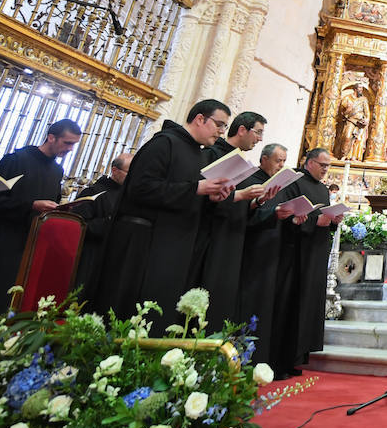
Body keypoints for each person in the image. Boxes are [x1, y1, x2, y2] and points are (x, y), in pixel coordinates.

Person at [94, 99, 235, 323]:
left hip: (174, 244)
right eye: (219, 124)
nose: (221, 132)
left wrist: (211, 198)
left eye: (224, 127)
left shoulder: (198, 154)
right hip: (144, 245)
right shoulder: (164, 144)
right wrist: (196, 188)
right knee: (131, 313)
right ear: (200, 118)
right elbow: (140, 188)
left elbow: (186, 196)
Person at [0, 118, 82, 315]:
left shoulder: (57, 171)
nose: (70, 149)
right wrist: (31, 205)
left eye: (74, 144)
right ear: (51, 137)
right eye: (67, 143)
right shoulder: (16, 160)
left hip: (29, 242)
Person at [199, 111, 275, 328]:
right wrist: (241, 195)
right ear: (242, 130)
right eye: (258, 132)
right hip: (213, 236)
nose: (260, 139)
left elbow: (239, 204)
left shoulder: (240, 161)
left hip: (233, 235)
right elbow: (207, 198)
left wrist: (257, 201)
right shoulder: (215, 154)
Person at [274, 148, 340, 371]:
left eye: (328, 166)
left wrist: (333, 220)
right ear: (309, 162)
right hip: (296, 252)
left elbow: (324, 217)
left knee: (309, 303)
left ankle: (300, 356)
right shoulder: (294, 181)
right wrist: (314, 221)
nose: (325, 170)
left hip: (316, 252)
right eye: (322, 165)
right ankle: (284, 359)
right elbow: (285, 213)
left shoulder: (322, 189)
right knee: (292, 303)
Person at [237, 142, 294, 370]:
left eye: (283, 161)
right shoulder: (252, 180)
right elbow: (246, 218)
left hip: (273, 250)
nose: (282, 165)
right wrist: (272, 213)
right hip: (252, 252)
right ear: (264, 159)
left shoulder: (279, 185)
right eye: (278, 160)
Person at [68, 152, 130, 298]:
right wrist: (110, 223)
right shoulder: (93, 192)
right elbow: (78, 224)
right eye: (129, 172)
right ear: (115, 170)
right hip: (91, 255)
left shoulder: (130, 195)